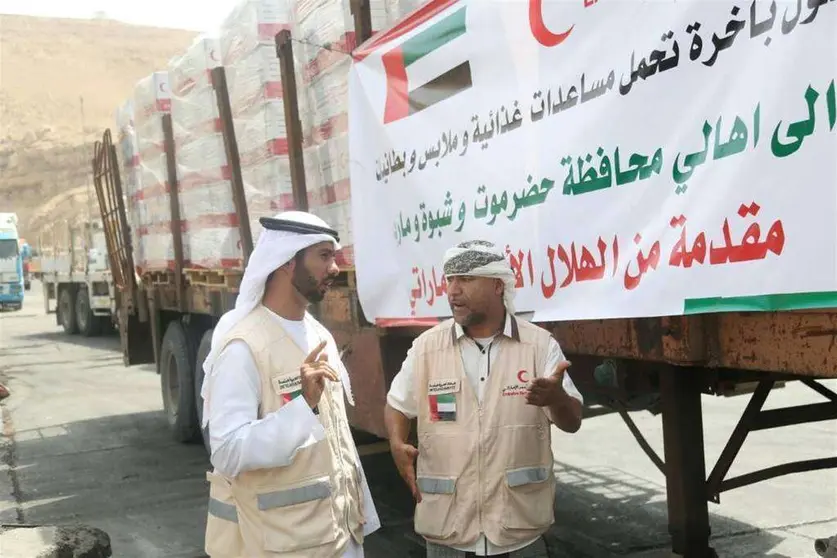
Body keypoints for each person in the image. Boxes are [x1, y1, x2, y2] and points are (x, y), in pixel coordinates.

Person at [384, 239, 584, 558]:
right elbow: (397, 404)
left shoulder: (538, 346)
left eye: (465, 279)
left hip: (518, 532)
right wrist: (396, 443)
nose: (452, 290)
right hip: (447, 531)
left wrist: (558, 398)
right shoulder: (426, 348)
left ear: (496, 284)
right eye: (449, 279)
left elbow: (572, 423)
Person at [200, 211, 380, 558]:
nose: (335, 268)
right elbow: (226, 452)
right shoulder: (243, 347)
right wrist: (302, 409)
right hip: (284, 546)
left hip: (340, 537)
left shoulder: (317, 333)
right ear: (286, 262)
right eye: (324, 256)